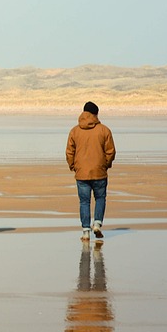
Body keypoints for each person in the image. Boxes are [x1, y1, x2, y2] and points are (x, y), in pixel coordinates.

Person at [66, 101, 116, 242]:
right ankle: (97, 223)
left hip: (81, 173)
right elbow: (110, 151)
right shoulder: (104, 130)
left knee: (84, 201)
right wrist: (105, 165)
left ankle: (86, 231)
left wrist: (73, 166)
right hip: (99, 171)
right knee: (100, 198)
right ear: (96, 114)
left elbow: (70, 152)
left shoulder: (74, 131)